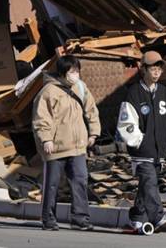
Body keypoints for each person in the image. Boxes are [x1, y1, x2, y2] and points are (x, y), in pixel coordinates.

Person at [116, 50, 166, 233]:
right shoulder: (133, 94)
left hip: (160, 151)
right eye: (153, 68)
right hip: (142, 151)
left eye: (159, 68)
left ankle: (136, 217)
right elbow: (126, 123)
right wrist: (139, 141)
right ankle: (158, 217)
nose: (157, 71)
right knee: (149, 182)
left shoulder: (165, 94)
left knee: (146, 186)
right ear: (143, 69)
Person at [32, 55, 101, 231]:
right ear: (63, 73)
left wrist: (94, 132)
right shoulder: (48, 92)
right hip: (56, 146)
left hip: (78, 146)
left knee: (80, 181)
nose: (76, 74)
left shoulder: (81, 88)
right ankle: (48, 218)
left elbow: (91, 110)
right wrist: (46, 139)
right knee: (52, 184)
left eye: (77, 71)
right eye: (72, 71)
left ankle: (81, 218)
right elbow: (41, 119)